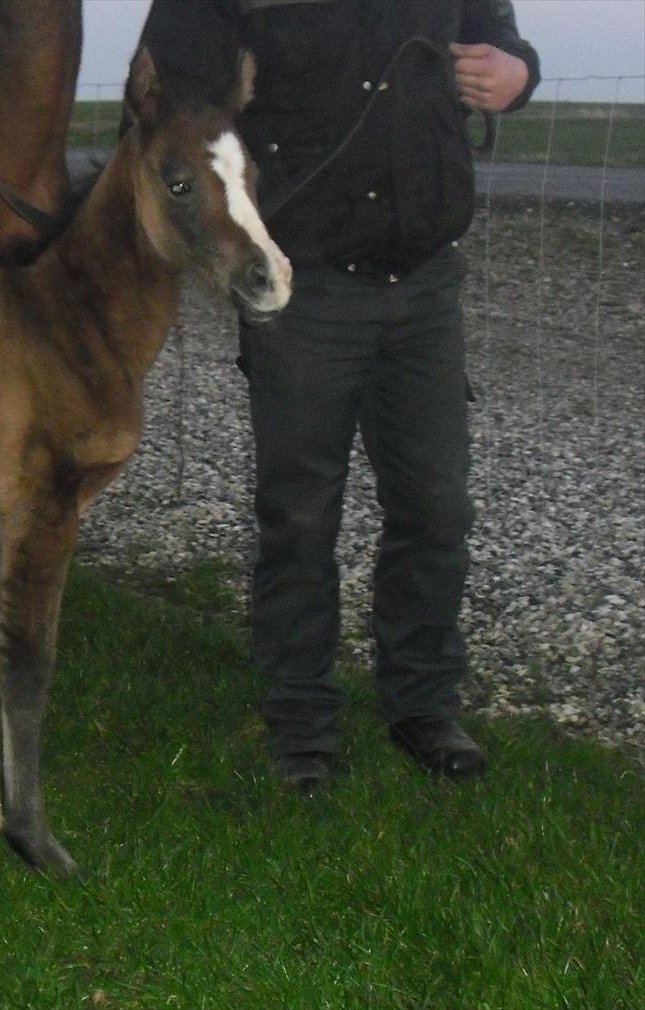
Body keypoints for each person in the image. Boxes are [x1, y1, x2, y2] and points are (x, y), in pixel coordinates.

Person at [139, 0, 540, 793]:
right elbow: (181, 109)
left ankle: (422, 704)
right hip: (304, 287)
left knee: (435, 507)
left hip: (425, 276)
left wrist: (517, 71)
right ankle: (301, 725)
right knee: (299, 516)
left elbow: (494, 29)